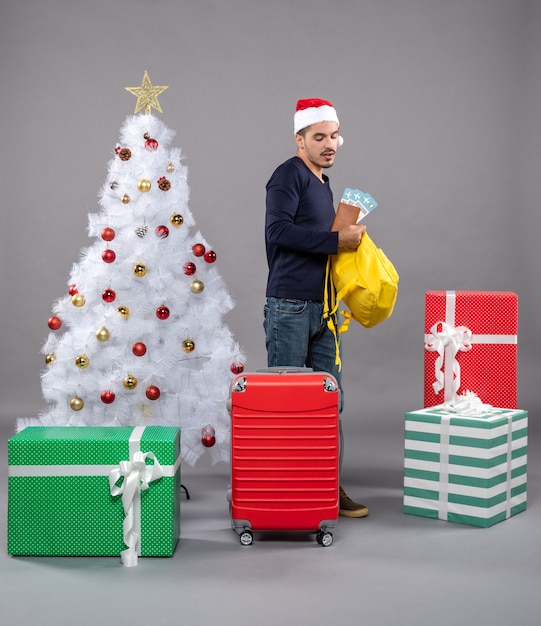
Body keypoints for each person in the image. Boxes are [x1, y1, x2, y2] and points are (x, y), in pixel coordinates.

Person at [264, 98, 368, 518]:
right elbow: (278, 231)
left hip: (324, 310)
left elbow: (320, 241)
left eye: (334, 135)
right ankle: (282, 491)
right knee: (285, 403)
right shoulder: (287, 175)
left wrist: (349, 238)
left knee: (330, 401)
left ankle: (326, 487)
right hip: (289, 305)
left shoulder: (323, 184)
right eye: (319, 136)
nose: (330, 144)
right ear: (300, 139)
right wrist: (333, 241)